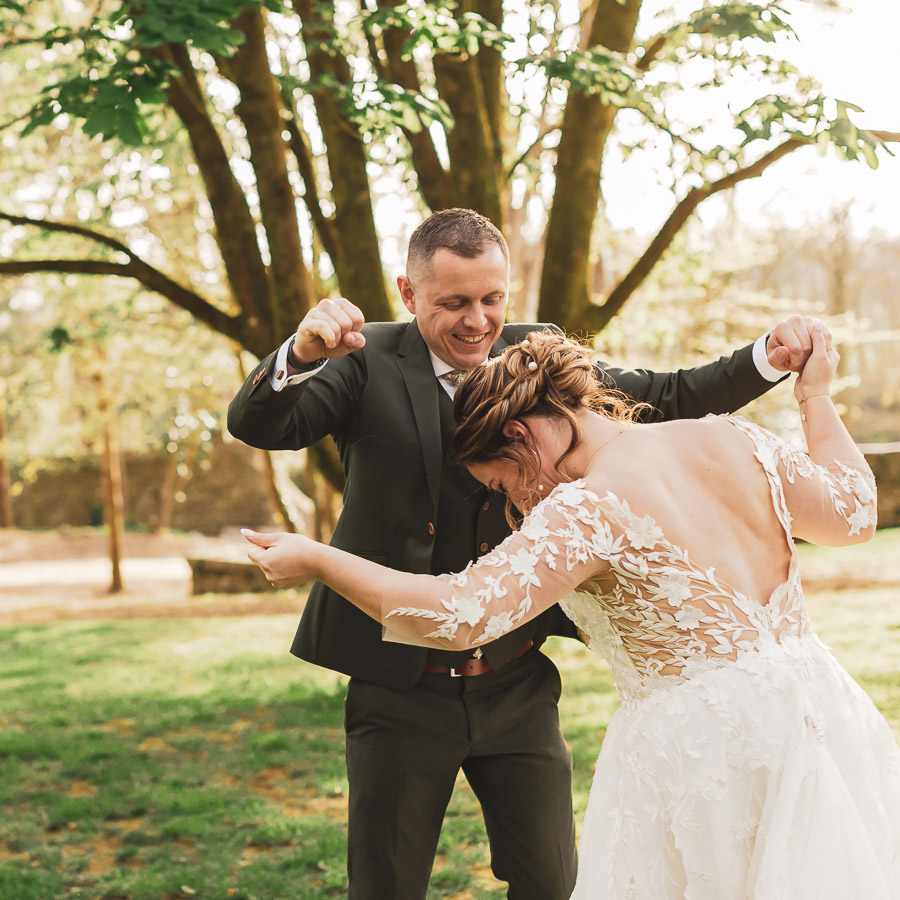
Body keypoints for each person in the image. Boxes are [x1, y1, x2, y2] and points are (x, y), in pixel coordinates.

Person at [227, 207, 814, 899]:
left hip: (517, 682)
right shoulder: (363, 362)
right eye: (453, 303)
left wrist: (763, 360)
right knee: (385, 887)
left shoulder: (534, 357)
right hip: (398, 689)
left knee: (555, 885)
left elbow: (666, 395)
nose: (478, 321)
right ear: (409, 294)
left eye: (492, 298)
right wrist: (297, 356)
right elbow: (261, 423)